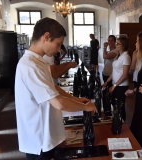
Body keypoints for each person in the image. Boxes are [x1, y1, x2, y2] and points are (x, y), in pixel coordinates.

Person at [14, 17, 97, 160]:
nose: (59, 49)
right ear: (46, 37)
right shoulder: (30, 66)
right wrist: (85, 107)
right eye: (58, 44)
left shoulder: (39, 62)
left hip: (46, 135)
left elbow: (53, 88)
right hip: (39, 138)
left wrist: (76, 99)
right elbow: (59, 103)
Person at [102, 36, 131, 121]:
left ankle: (122, 124)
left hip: (121, 86)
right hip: (116, 84)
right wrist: (107, 82)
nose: (116, 45)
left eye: (118, 43)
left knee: (120, 106)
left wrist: (114, 86)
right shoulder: (118, 55)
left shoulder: (126, 57)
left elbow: (125, 75)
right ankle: (116, 121)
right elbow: (114, 72)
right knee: (114, 104)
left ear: (123, 45)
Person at [102, 35, 118, 115]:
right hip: (105, 74)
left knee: (109, 95)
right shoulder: (109, 50)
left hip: (110, 76)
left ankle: (110, 112)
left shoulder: (115, 51)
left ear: (115, 42)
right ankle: (106, 110)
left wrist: (104, 47)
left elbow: (105, 56)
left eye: (112, 41)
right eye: (109, 40)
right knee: (105, 94)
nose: (110, 42)